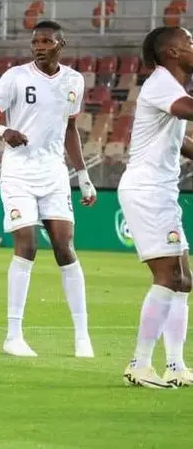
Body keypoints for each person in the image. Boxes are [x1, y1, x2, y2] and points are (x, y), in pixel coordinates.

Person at [0, 20, 97, 359]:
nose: (39, 46)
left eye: (46, 41)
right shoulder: (16, 77)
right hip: (19, 173)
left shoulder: (74, 80)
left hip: (54, 173)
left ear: (61, 44)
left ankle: (82, 336)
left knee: (65, 247)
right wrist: (3, 132)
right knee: (26, 245)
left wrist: (82, 175)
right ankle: (13, 335)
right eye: (35, 41)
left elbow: (70, 130)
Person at [118, 26, 193, 389]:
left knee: (183, 281)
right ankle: (140, 364)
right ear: (172, 53)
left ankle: (176, 365)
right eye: (190, 42)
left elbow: (181, 141)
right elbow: (188, 111)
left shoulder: (172, 88)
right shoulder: (162, 82)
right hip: (147, 191)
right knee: (168, 277)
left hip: (161, 191)